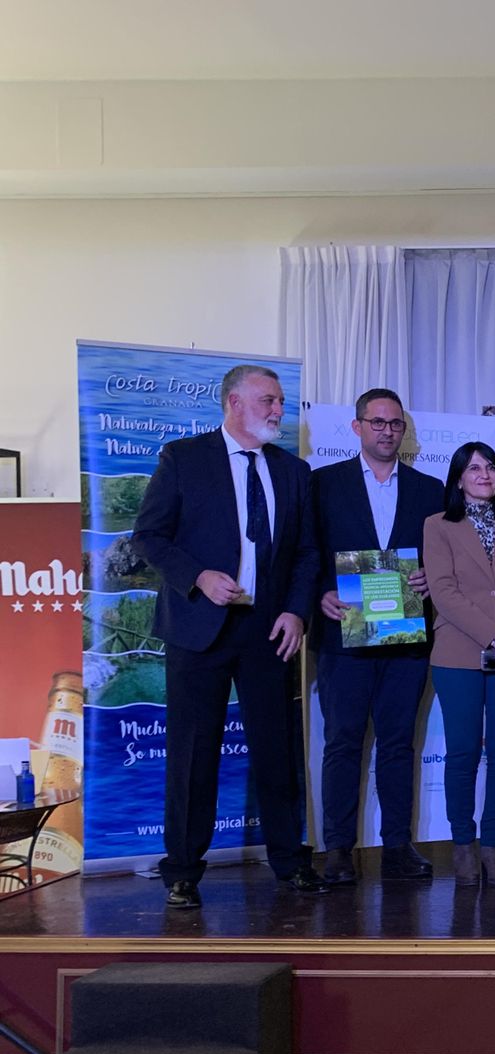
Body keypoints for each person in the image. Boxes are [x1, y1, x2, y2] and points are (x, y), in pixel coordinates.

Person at [131, 364, 325, 907]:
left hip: (269, 629)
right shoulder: (184, 458)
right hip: (199, 628)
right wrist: (196, 575)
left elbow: (308, 553)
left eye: (280, 401)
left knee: (277, 749)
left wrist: (296, 613)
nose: (278, 411)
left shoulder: (293, 471)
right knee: (194, 753)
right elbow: (149, 535)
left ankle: (290, 862)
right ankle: (183, 871)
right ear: (235, 402)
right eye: (269, 400)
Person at [310, 387, 443, 884]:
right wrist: (317, 596)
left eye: (395, 424)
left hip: (406, 637)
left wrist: (432, 575)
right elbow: (304, 554)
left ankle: (397, 846)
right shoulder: (322, 484)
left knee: (396, 744)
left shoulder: (429, 490)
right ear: (357, 426)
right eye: (378, 422)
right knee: (342, 743)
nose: (387, 431)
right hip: (343, 633)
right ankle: (339, 849)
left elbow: (445, 557)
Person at [422, 442, 495, 886]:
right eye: (474, 468)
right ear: (458, 477)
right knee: (464, 751)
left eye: (490, 467)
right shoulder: (438, 525)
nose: (485, 474)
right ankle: (463, 846)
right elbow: (443, 590)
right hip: (458, 654)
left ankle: (493, 845)